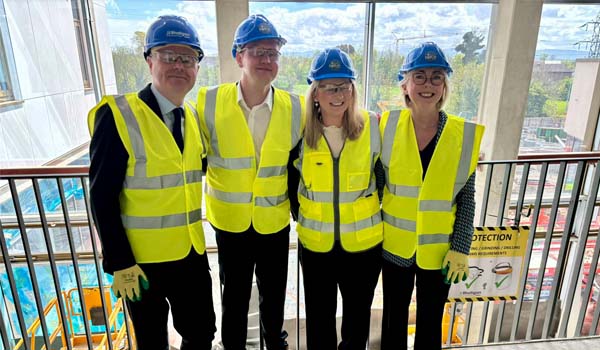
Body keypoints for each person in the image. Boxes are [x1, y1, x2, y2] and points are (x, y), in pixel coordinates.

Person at [88, 15, 216, 350]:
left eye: (188, 58)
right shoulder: (118, 116)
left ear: (197, 67)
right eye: (168, 55)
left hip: (190, 254)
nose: (179, 65)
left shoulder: (192, 119)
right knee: (151, 339)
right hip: (141, 262)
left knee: (202, 332)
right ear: (149, 60)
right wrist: (119, 263)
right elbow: (102, 196)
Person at [196, 14, 304, 350]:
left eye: (273, 53)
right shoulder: (208, 102)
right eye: (258, 52)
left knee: (273, 303)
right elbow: (192, 160)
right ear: (238, 56)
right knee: (235, 301)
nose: (267, 60)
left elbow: (298, 167)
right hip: (231, 225)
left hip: (273, 223)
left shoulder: (295, 107)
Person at [379, 41, 484, 350]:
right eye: (419, 76)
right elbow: (375, 185)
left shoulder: (461, 135)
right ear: (406, 84)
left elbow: (467, 198)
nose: (428, 84)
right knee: (393, 321)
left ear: (445, 85)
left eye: (436, 76)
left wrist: (461, 249)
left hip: (440, 253)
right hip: (394, 247)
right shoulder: (387, 126)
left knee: (430, 322)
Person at [294, 48, 383, 349]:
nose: (338, 93)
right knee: (319, 324)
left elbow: (382, 178)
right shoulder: (300, 132)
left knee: (357, 324)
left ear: (353, 90)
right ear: (315, 92)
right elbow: (290, 183)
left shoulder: (373, 126)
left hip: (363, 248)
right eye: (329, 86)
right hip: (317, 247)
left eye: (344, 85)